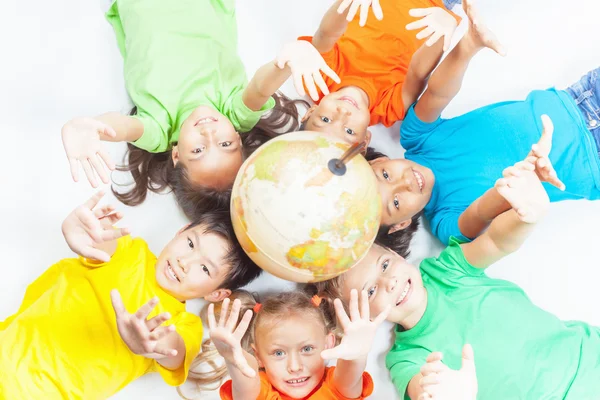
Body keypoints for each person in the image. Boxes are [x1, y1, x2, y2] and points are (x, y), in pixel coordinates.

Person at [311, 156, 600, 399]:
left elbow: (498, 241)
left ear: (397, 255)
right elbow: (419, 389)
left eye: (385, 265)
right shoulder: (406, 357)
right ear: (359, 316)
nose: (390, 283)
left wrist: (526, 215)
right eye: (371, 291)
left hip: (588, 355)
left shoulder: (445, 269)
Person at [61, 0, 338, 212]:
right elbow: (259, 88)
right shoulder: (234, 113)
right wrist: (285, 63)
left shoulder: (160, 129)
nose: (210, 135)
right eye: (226, 145)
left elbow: (124, 128)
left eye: (198, 150)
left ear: (176, 155)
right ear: (238, 140)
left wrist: (92, 128)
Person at [370, 0, 599, 248]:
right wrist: (522, 175)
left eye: (385, 175)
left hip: (581, 97)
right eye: (395, 203)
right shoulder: (446, 222)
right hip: (593, 163)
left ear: (380, 160)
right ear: (400, 225)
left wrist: (468, 45)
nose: (405, 183)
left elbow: (438, 94)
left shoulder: (416, 138)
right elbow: (481, 212)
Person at [0, 192, 262, 398]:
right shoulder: (130, 251)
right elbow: (99, 242)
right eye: (191, 243)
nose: (185, 262)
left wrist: (152, 343)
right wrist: (85, 231)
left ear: (217, 294)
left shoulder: (185, 325)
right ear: (181, 231)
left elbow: (174, 351)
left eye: (204, 268)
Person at [297, 0, 461, 146]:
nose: (343, 113)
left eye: (326, 119)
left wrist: (347, 3)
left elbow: (326, 33)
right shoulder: (387, 108)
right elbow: (419, 74)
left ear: (310, 112)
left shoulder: (316, 78)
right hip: (433, 6)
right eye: (349, 131)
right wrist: (442, 33)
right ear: (365, 140)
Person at [190, 288, 388, 399]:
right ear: (258, 356)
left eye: (307, 349)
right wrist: (234, 359)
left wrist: (356, 356)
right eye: (278, 353)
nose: (295, 367)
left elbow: (348, 378)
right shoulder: (262, 392)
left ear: (328, 343)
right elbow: (246, 384)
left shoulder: (335, 387)